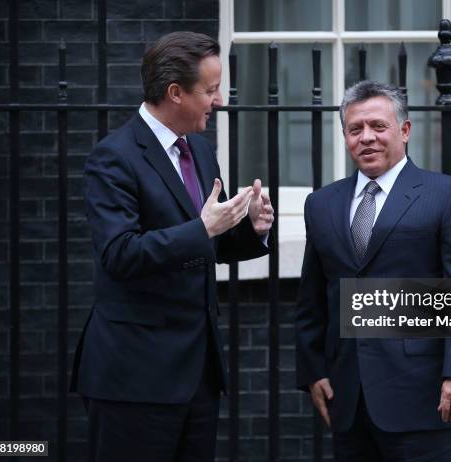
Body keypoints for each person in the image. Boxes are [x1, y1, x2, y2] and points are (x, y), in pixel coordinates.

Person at [70, 31, 274, 462]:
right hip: (135, 378)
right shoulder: (114, 158)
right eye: (211, 90)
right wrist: (203, 228)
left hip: (198, 375)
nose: (219, 102)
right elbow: (120, 254)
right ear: (175, 92)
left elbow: (201, 247)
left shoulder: (198, 150)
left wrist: (251, 230)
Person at [295, 81, 451, 461]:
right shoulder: (320, 204)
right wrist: (312, 370)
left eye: (378, 127)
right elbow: (313, 296)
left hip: (422, 396)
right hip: (347, 398)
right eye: (355, 129)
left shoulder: (449, 195)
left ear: (404, 130)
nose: (366, 138)